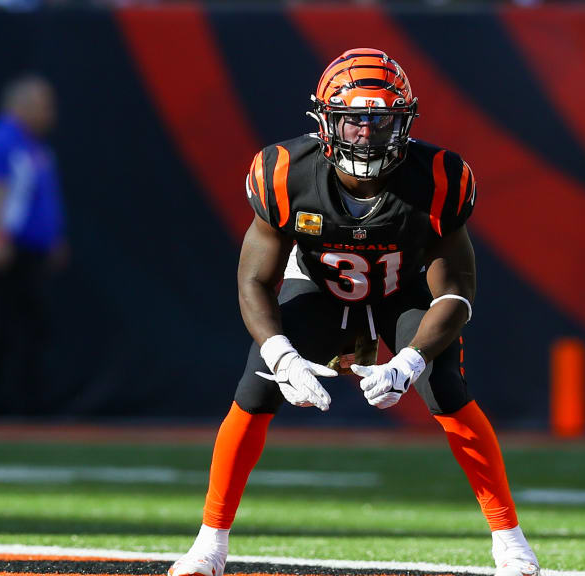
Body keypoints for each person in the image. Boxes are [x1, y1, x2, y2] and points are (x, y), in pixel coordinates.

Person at [168, 48, 539, 576]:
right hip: (318, 285)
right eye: (352, 120)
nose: (366, 134)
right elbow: (254, 279)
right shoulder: (285, 173)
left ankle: (510, 541)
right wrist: (281, 354)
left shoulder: (438, 179)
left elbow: (456, 291)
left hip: (403, 289)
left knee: (444, 385)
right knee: (256, 386)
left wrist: (408, 361)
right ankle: (209, 544)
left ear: (403, 123)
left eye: (380, 120)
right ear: (326, 122)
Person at [0, 73, 67, 415]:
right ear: (21, 104)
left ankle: (26, 405)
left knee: (31, 328)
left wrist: (52, 239)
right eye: (44, 104)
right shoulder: (2, 140)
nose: (51, 112)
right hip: (9, 252)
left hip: (30, 252)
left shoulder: (32, 145)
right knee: (8, 329)